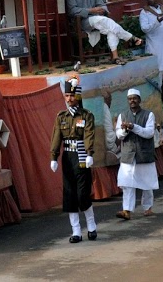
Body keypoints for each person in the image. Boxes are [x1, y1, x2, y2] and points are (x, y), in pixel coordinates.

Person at [49, 77, 97, 243]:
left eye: (72, 95)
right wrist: (53, 157)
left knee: (82, 193)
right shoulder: (61, 117)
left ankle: (91, 226)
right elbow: (56, 137)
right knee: (69, 194)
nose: (69, 99)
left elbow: (89, 134)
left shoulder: (86, 115)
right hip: (68, 156)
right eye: (67, 96)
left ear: (78, 96)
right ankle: (76, 231)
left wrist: (90, 153)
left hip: (82, 154)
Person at [66, 0, 142, 65]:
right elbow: (72, 10)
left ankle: (115, 57)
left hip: (97, 18)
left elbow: (101, 3)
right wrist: (91, 10)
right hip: (83, 21)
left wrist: (104, 10)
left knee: (111, 29)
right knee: (105, 21)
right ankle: (131, 38)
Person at [114, 88, 157, 219]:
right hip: (128, 155)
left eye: (134, 98)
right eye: (130, 98)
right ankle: (127, 210)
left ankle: (148, 207)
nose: (132, 100)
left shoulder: (148, 115)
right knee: (127, 183)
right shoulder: (123, 115)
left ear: (139, 100)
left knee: (147, 183)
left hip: (144, 154)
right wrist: (125, 130)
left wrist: (134, 127)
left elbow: (149, 133)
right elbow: (119, 135)